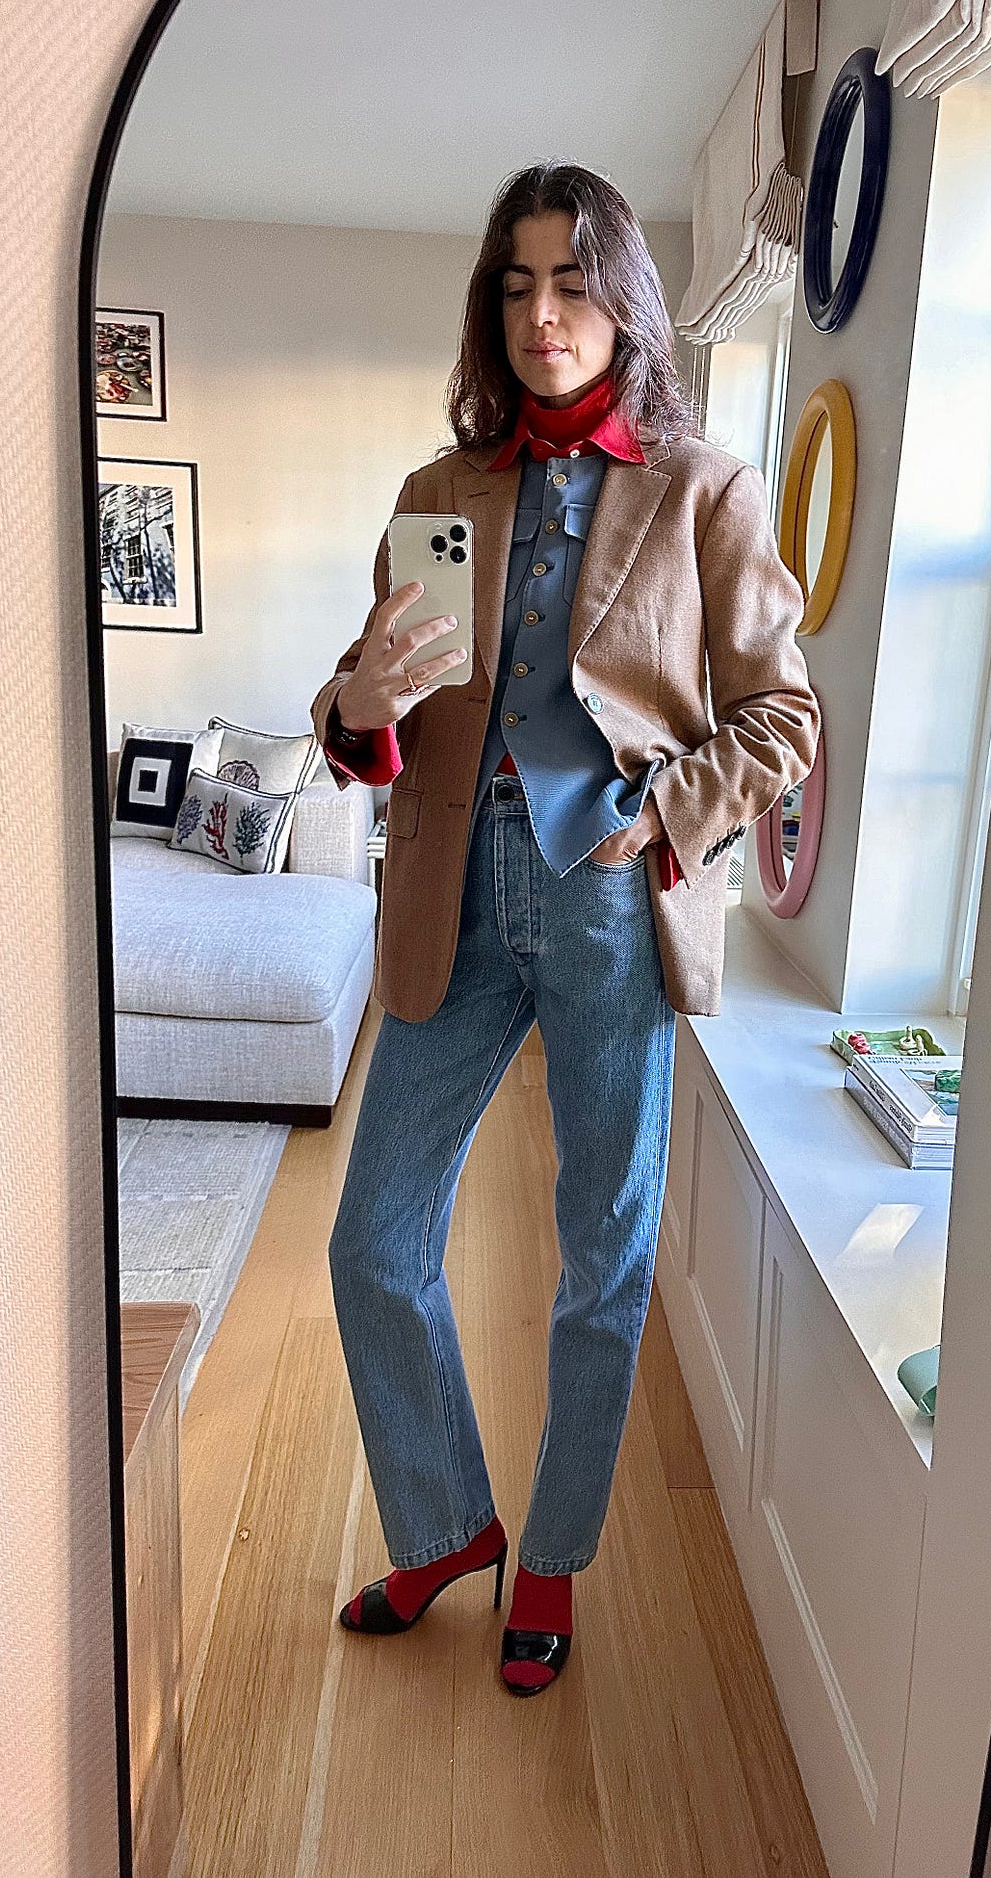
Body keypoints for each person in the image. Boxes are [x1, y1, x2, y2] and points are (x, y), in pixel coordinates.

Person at [309, 160, 819, 1697]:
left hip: (613, 901)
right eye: (519, 283)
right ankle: (445, 1519)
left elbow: (784, 718)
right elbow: (369, 710)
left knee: (605, 1249)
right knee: (372, 1238)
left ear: (625, 304)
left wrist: (661, 815)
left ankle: (550, 1555)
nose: (545, 313)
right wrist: (357, 706)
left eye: (575, 282)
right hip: (448, 898)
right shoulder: (439, 494)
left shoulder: (704, 488)